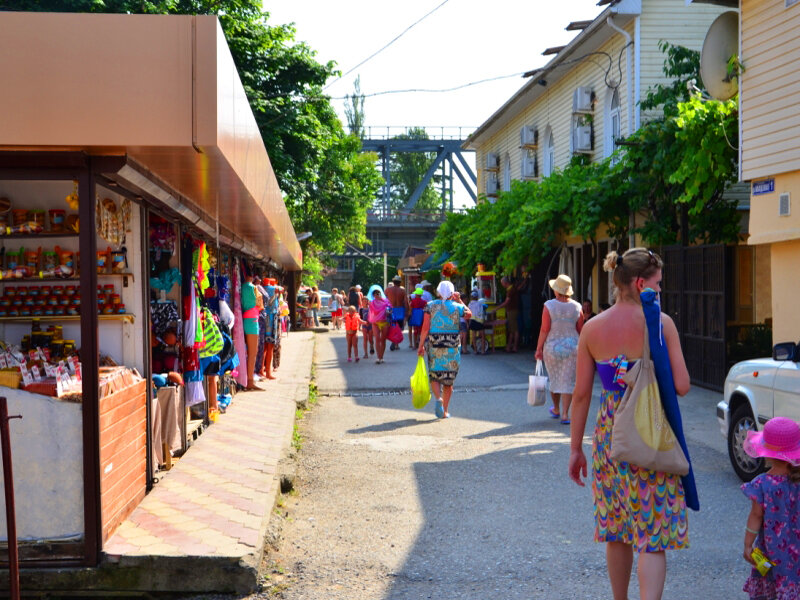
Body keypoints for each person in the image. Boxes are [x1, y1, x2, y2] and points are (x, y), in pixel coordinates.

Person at [568, 248, 690, 600]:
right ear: (640, 284)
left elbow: (579, 395)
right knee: (652, 533)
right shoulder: (661, 323)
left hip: (610, 435)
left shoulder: (592, 328)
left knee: (616, 528)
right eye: (657, 284)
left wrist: (576, 448)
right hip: (651, 433)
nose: (660, 291)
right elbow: (681, 386)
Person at [740, 417, 800, 600]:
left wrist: (748, 544)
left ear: (767, 452)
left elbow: (756, 516)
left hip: (771, 552)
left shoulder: (762, 484)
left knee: (770, 582)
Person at [417, 281, 471, 419]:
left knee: (434, 374)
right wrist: (459, 300)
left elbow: (425, 327)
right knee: (448, 379)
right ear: (452, 293)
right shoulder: (457, 306)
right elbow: (469, 314)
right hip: (452, 345)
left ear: (438, 292)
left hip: (435, 343)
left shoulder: (430, 306)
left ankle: (438, 399)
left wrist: (420, 345)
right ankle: (445, 411)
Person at [535, 274, 583, 424]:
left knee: (555, 378)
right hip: (573, 347)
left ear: (556, 290)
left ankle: (556, 408)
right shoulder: (577, 306)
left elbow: (545, 329)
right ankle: (565, 414)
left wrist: (539, 349)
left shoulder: (549, 305)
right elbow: (581, 329)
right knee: (568, 381)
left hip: (552, 347)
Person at [240, 273, 262, 390]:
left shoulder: (242, 287)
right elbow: (260, 304)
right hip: (253, 320)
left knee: (247, 351)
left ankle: (248, 379)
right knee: (253, 352)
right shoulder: (254, 288)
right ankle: (250, 381)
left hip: (245, 318)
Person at [490, 276, 522, 352]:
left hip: (512, 310)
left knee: (515, 329)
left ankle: (514, 347)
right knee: (511, 329)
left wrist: (496, 308)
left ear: (505, 283)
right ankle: (509, 346)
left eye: (502, 283)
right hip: (511, 310)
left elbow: (506, 302)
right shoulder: (511, 289)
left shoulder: (510, 290)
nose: (502, 285)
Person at [367, 284, 392, 364]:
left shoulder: (386, 301)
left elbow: (390, 309)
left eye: (378, 293)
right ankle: (378, 357)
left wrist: (382, 300)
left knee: (383, 340)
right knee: (377, 339)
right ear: (373, 295)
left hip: (384, 322)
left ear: (380, 293)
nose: (376, 295)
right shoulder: (372, 303)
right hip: (375, 323)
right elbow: (371, 313)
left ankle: (381, 357)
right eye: (374, 294)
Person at [385, 276, 409, 351]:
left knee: (392, 326)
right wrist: (407, 312)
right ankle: (396, 343)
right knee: (399, 327)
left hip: (391, 309)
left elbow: (384, 300)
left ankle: (394, 341)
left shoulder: (388, 290)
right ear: (400, 282)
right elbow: (405, 302)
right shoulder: (402, 290)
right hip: (400, 310)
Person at [467, 290, 487, 354]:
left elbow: (469, 313)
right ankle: (483, 351)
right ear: (477, 297)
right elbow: (481, 313)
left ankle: (475, 350)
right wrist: (483, 321)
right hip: (479, 321)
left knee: (473, 336)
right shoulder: (479, 304)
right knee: (483, 336)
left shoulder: (469, 304)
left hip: (472, 321)